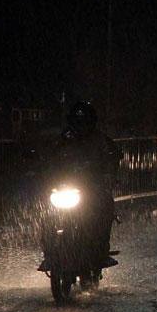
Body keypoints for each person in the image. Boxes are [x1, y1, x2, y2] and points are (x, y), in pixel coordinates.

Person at [54, 101, 122, 257]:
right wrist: (41, 171)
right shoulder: (64, 139)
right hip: (67, 186)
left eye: (84, 121)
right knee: (49, 211)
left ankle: (101, 247)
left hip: (93, 186)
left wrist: (108, 175)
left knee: (105, 207)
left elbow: (113, 155)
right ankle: (50, 247)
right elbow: (51, 158)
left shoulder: (100, 140)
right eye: (77, 121)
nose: (80, 125)